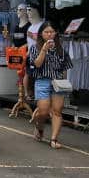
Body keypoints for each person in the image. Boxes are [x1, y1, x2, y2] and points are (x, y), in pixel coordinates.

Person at [29, 21, 72, 149]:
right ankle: (39, 127)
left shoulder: (61, 50)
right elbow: (36, 64)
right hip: (42, 81)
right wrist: (44, 50)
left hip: (58, 82)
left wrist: (65, 84)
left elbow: (65, 68)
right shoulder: (34, 48)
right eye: (46, 32)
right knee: (43, 111)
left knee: (57, 111)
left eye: (51, 32)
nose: (49, 34)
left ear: (55, 33)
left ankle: (54, 139)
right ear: (41, 34)